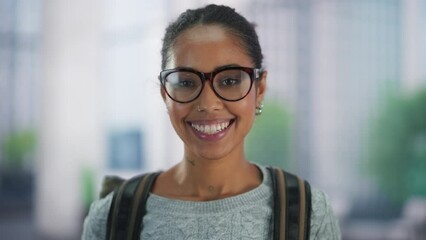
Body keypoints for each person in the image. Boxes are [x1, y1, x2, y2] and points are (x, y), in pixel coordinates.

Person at [82, 4, 341, 239]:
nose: (207, 103)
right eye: (185, 82)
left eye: (229, 81)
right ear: (165, 94)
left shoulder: (310, 213)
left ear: (259, 89)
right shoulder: (111, 216)